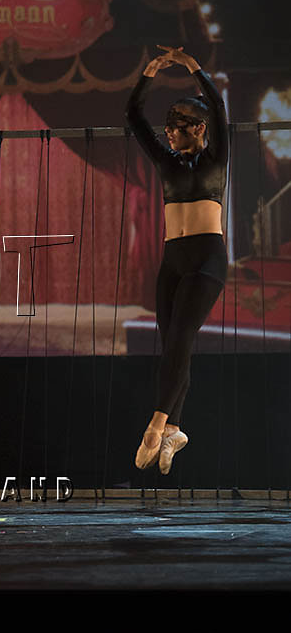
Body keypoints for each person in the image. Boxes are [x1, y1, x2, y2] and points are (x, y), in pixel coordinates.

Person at [126, 45, 229, 475]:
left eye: (177, 126)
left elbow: (218, 107)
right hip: (172, 261)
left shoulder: (216, 158)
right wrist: (149, 73)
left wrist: (193, 68)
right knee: (171, 346)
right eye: (167, 126)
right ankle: (175, 430)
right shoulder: (166, 161)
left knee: (182, 338)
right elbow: (133, 115)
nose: (168, 132)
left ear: (198, 128)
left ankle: (156, 424)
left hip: (206, 259)